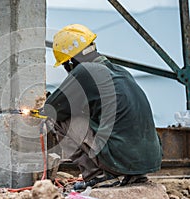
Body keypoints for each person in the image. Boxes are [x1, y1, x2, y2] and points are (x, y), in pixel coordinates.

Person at [44, 24, 162, 189]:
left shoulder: (85, 71)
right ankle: (133, 176)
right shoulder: (120, 71)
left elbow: (51, 109)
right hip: (149, 158)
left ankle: (98, 176)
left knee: (58, 119)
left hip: (122, 156)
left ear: (71, 60)